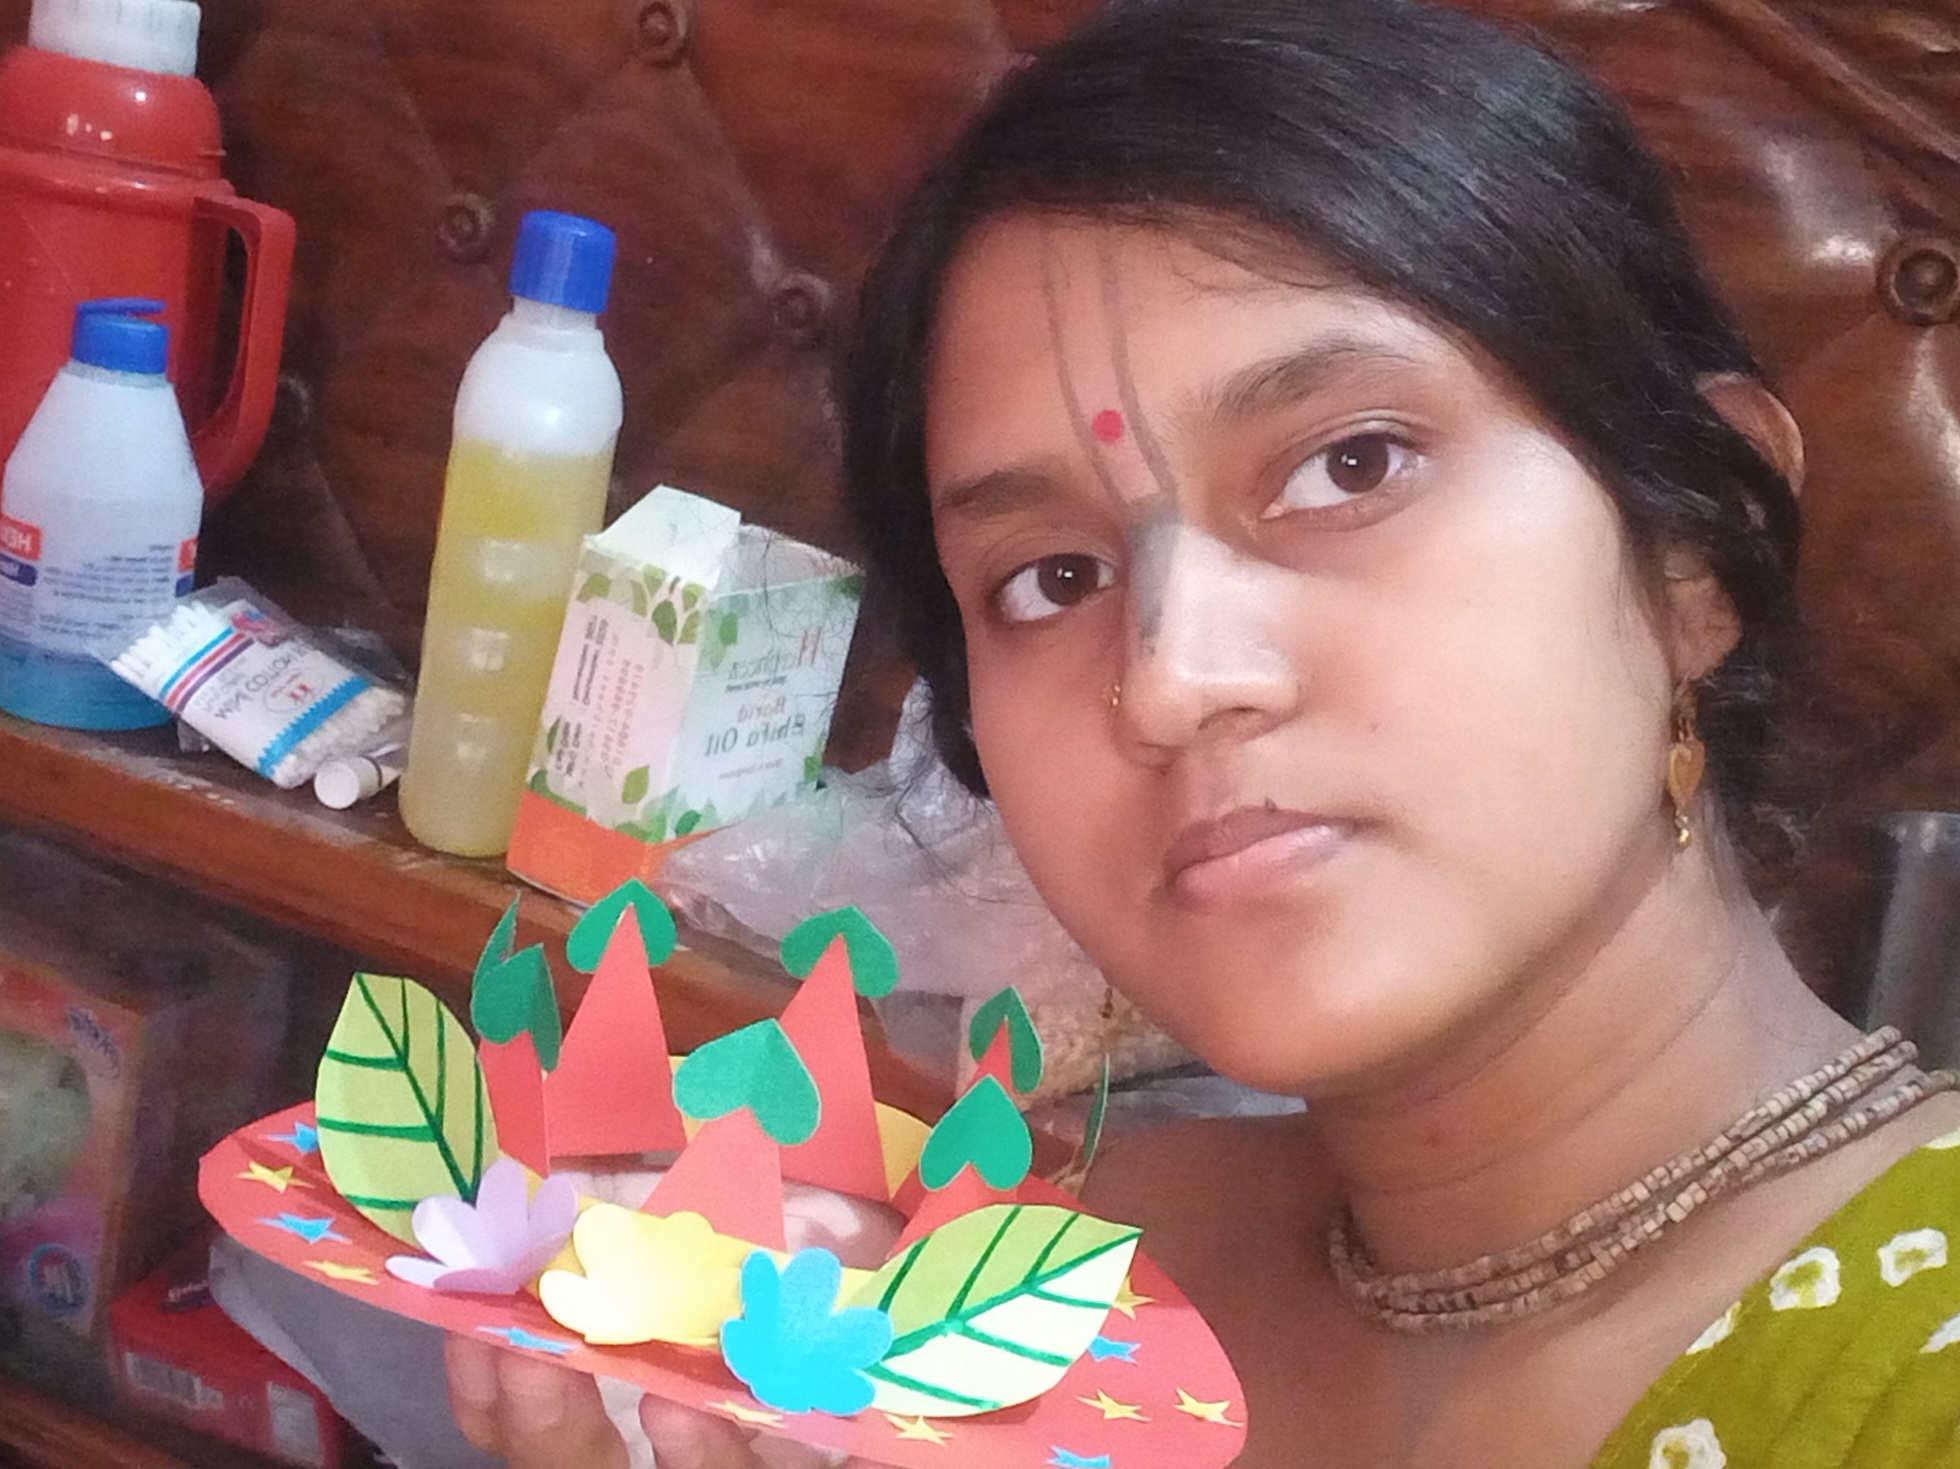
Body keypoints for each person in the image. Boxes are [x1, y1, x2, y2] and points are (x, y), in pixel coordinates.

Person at [445, 1, 1960, 1464]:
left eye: (1350, 464)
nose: (1169, 680)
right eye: (1053, 579)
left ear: (1692, 553)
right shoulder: (1073, 1281)